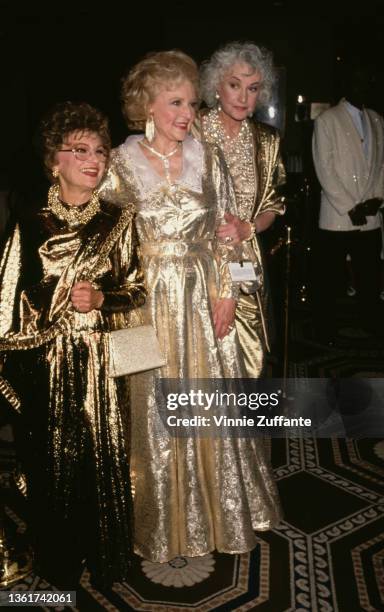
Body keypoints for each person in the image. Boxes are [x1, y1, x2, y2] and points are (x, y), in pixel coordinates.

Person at [100, 50, 282, 563]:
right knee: (150, 410)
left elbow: (228, 234)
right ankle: (159, 525)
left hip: (205, 299)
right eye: (175, 102)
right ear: (148, 107)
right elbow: (102, 241)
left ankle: (221, 516)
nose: (186, 112)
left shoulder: (207, 156)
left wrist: (227, 291)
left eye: (192, 102)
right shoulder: (119, 163)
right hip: (144, 303)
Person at [0, 102, 146, 587]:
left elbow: (140, 287)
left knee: (102, 458)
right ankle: (59, 562)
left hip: (100, 360)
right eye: (79, 150)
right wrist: (50, 309)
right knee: (51, 462)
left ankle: (106, 559)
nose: (95, 159)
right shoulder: (29, 222)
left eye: (101, 151)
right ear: (53, 160)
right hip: (44, 361)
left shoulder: (120, 219)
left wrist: (104, 297)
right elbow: (6, 301)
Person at [197, 41, 286, 377]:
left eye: (253, 89)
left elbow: (274, 206)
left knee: (250, 355)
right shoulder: (193, 128)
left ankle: (243, 426)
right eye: (234, 85)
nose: (243, 97)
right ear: (216, 85)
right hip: (199, 257)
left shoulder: (267, 140)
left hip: (246, 260)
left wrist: (249, 228)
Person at [312, 63, 384, 343]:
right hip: (338, 214)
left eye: (367, 80)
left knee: (369, 277)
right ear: (346, 84)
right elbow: (324, 167)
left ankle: (371, 325)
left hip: (369, 214)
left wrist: (376, 199)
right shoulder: (327, 120)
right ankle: (325, 330)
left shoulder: (377, 119)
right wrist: (350, 207)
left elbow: (382, 165)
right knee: (330, 279)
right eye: (356, 80)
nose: (362, 85)